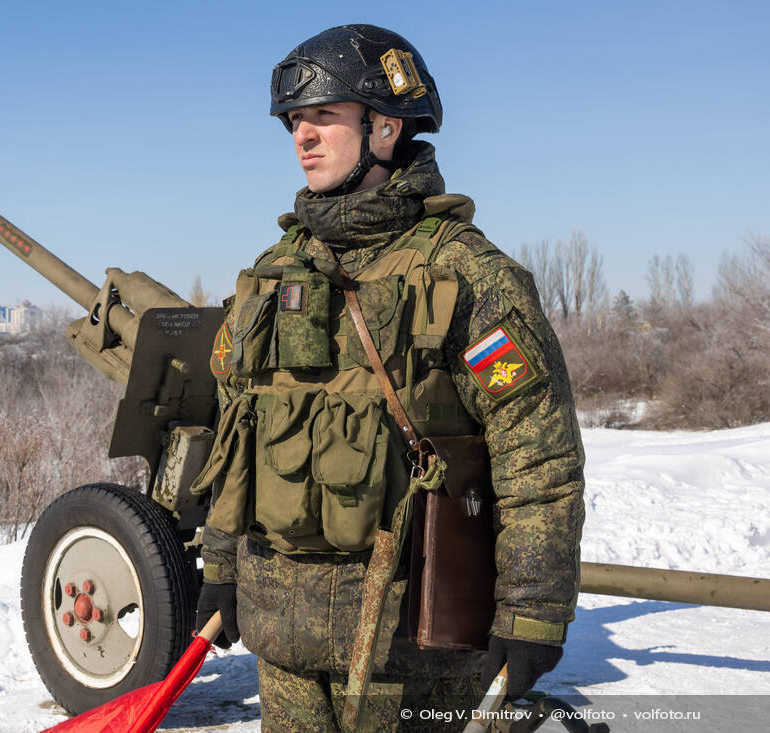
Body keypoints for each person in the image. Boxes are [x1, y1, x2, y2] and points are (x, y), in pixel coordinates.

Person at [192, 24, 585, 732]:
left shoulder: (467, 276)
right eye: (294, 120)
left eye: (324, 115)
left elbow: (538, 455)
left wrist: (533, 610)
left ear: (386, 127)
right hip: (284, 648)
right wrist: (221, 565)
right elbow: (237, 437)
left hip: (411, 657)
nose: (302, 136)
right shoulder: (273, 275)